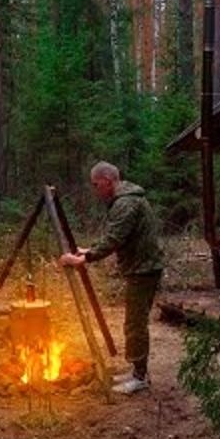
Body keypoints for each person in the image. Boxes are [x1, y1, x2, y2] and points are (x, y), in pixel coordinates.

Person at [59, 161, 165, 395]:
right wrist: (90, 250)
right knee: (133, 321)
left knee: (135, 323)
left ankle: (140, 377)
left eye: (97, 185)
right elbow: (116, 236)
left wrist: (84, 259)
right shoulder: (127, 199)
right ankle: (137, 371)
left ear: (107, 180)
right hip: (142, 267)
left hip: (144, 269)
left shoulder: (126, 203)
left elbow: (114, 238)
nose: (96, 190)